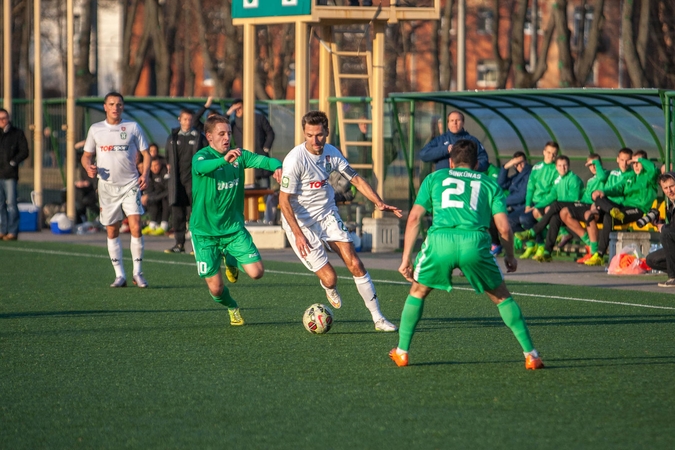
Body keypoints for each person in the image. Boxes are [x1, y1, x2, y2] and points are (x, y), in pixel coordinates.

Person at [389, 139, 543, 370]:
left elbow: (413, 219)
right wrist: (510, 255)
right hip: (475, 243)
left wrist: (406, 258)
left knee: (418, 291)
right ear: (477, 163)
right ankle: (531, 355)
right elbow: (504, 227)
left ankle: (402, 352)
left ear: (451, 162)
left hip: (440, 241)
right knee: (501, 296)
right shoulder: (490, 184)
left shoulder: (435, 178)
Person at [278, 110, 401, 332]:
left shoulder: (332, 153)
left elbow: (356, 178)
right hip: (302, 224)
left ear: (326, 132)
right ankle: (329, 287)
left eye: (319, 135)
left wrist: (378, 202)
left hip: (327, 215)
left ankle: (378, 319)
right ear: (304, 134)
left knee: (355, 263)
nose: (314, 140)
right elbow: (283, 200)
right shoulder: (294, 160)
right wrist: (297, 234)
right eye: (309, 135)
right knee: (331, 278)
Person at [190, 114, 283, 326]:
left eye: (229, 134)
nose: (226, 138)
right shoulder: (201, 157)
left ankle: (230, 257)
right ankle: (232, 307)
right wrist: (223, 160)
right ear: (209, 137)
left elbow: (265, 160)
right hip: (204, 233)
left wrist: (277, 166)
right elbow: (201, 169)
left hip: (232, 229)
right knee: (216, 288)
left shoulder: (239, 156)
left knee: (257, 273)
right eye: (221, 134)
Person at [81, 92, 150, 288]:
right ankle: (120, 275)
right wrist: (88, 167)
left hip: (130, 184)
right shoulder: (96, 129)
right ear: (105, 106)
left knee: (136, 225)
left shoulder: (132, 127)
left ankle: (138, 272)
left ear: (123, 107)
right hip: (107, 187)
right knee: (112, 230)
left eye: (119, 104)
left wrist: (145, 175)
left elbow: (146, 154)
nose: (115, 107)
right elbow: (86, 156)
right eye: (111, 104)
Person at [588, 149, 658, 266]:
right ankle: (599, 255)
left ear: (644, 162)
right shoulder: (630, 177)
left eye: (638, 162)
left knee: (608, 215)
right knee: (598, 198)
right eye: (633, 163)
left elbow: (653, 169)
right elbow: (617, 189)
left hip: (637, 209)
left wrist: (640, 159)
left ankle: (600, 253)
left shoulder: (649, 177)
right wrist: (602, 191)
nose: (635, 165)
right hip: (622, 208)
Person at [515, 155, 584, 262]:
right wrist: (534, 207)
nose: (562, 168)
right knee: (540, 212)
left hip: (574, 210)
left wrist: (556, 204)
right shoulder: (558, 180)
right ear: (556, 167)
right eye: (560, 166)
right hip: (561, 209)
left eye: (565, 165)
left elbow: (574, 199)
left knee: (551, 210)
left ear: (569, 166)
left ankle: (534, 233)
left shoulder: (573, 179)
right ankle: (547, 251)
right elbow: (550, 196)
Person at [164, 109, 208, 253]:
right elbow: (167, 158)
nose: (187, 122)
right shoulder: (172, 138)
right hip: (177, 183)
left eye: (190, 119)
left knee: (195, 214)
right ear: (179, 120)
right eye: (185, 119)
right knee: (177, 215)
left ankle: (197, 246)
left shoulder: (199, 137)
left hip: (194, 181)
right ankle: (179, 244)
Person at [519, 141, 559, 258]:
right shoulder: (536, 167)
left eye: (554, 154)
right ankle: (532, 244)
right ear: (543, 152)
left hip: (546, 203)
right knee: (512, 219)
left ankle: (540, 245)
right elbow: (530, 188)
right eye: (549, 152)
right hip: (533, 203)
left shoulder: (556, 169)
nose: (551, 156)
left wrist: (535, 207)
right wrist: (527, 205)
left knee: (525, 218)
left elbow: (553, 193)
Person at [227, 98, 276, 188]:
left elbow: (270, 133)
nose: (238, 110)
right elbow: (223, 124)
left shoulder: (258, 118)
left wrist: (266, 147)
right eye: (235, 108)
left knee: (265, 192)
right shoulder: (233, 124)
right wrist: (229, 112)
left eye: (240, 107)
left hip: (260, 161)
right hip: (244, 162)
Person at [419, 110, 489, 173]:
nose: (455, 123)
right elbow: (423, 154)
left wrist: (474, 167)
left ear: (463, 123)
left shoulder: (471, 140)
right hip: (444, 180)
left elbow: (484, 161)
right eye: (452, 120)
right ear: (448, 123)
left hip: (466, 180)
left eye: (458, 120)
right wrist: (446, 149)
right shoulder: (440, 140)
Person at [0, 108, 30, 241]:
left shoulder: (16, 133)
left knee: (11, 203)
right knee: (0, 204)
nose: (2, 121)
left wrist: (13, 162)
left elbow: (24, 151)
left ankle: (12, 231)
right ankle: (2, 230)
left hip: (10, 175)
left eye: (4, 118)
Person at [645, 172, 675, 287]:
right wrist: (661, 224)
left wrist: (665, 228)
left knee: (666, 233)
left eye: (672, 186)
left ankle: (673, 277)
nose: (669, 191)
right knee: (651, 260)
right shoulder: (671, 206)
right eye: (665, 188)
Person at [142, 157, 170, 235]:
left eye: (156, 165)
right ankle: (153, 224)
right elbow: (151, 190)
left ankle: (164, 225)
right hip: (158, 196)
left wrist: (154, 197)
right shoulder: (149, 175)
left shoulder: (166, 172)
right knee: (150, 199)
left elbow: (168, 190)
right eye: (152, 166)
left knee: (165, 199)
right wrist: (148, 196)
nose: (154, 168)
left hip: (167, 196)